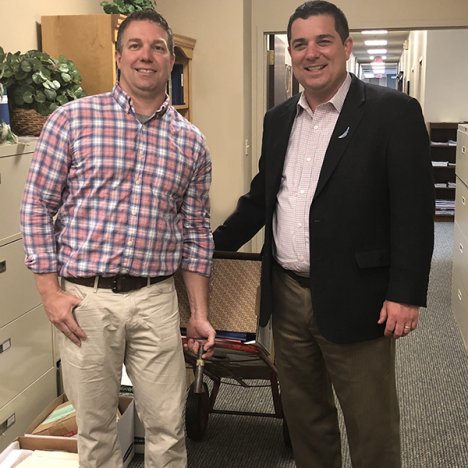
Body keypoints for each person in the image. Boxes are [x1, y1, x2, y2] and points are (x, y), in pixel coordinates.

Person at [213, 2, 434, 467]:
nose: (311, 53)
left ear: (346, 46)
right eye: (300, 44)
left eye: (323, 41)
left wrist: (406, 293)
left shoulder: (392, 113)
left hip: (362, 298)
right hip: (288, 294)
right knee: (306, 421)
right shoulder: (278, 119)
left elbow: (414, 211)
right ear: (291, 54)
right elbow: (261, 199)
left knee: (370, 427)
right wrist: (210, 248)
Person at [20, 10, 215, 468]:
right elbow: (35, 208)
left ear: (173, 61)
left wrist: (200, 315)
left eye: (158, 47)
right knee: (95, 430)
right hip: (87, 300)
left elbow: (196, 232)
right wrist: (50, 292)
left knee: (168, 426)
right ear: (118, 56)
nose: (146, 56)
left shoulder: (191, 142)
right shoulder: (71, 120)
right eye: (135, 45)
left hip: (156, 300)